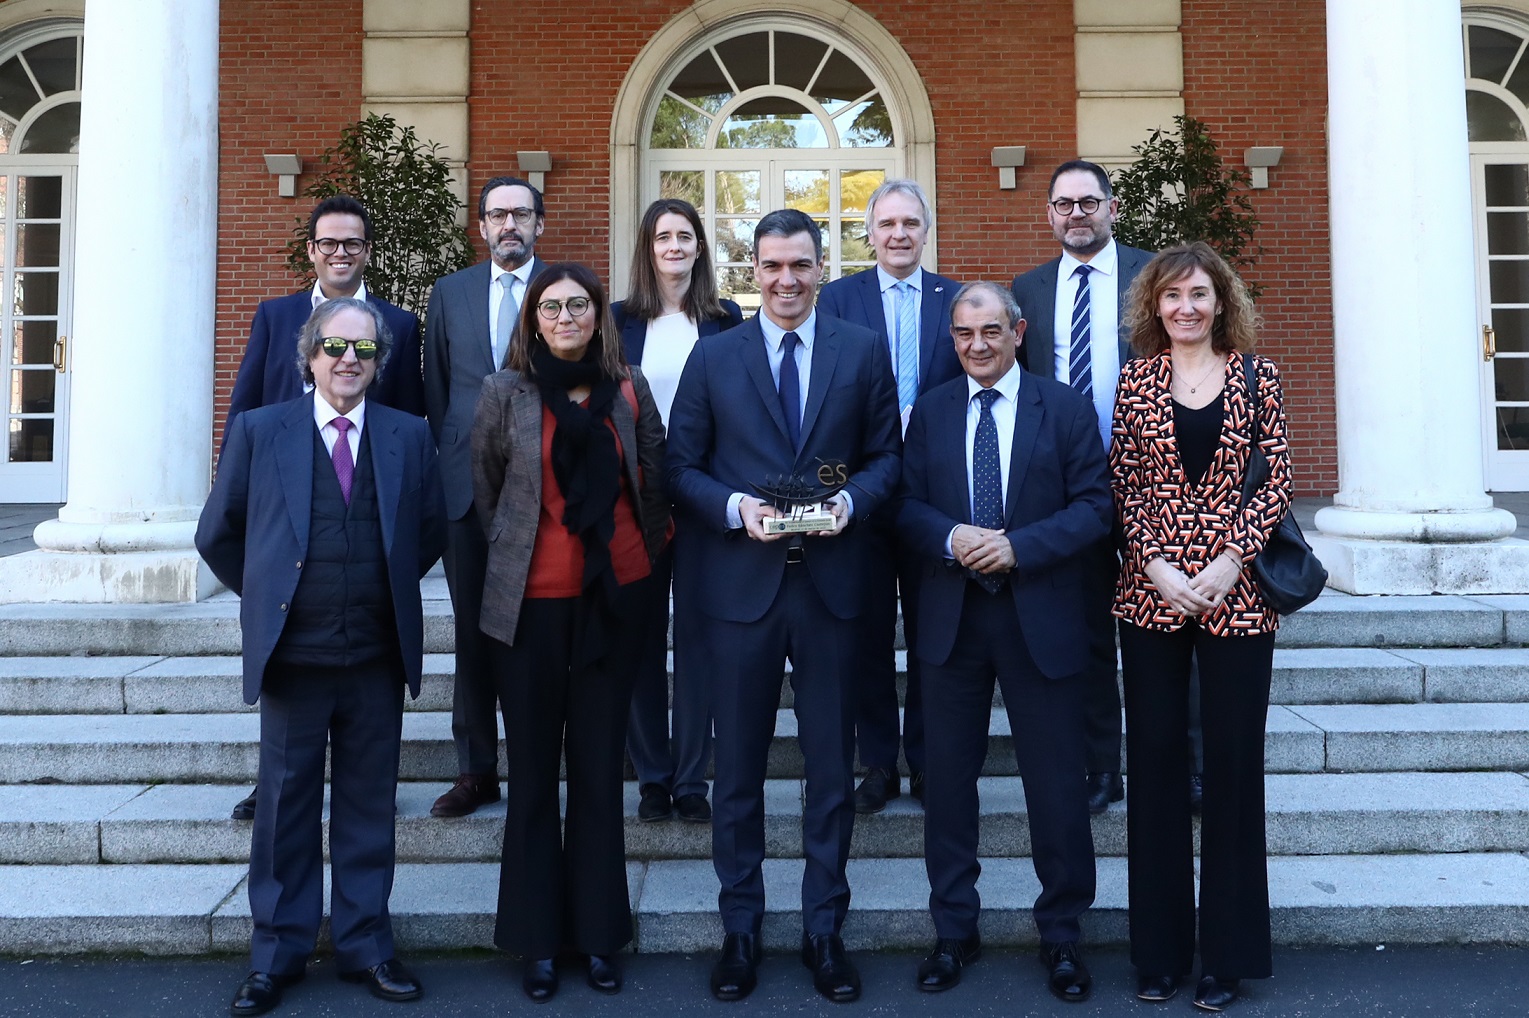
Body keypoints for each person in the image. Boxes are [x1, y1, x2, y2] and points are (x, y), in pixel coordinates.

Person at [666, 210, 901, 1004]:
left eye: (800, 265)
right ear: (752, 269)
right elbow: (679, 466)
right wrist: (735, 507)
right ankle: (740, 929)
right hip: (739, 590)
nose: (786, 280)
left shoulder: (861, 352)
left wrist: (853, 505)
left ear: (821, 267)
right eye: (771, 267)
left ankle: (823, 930)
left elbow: (885, 457)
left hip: (833, 586)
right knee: (736, 774)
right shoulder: (713, 356)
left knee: (831, 771)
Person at [197, 297, 446, 1016]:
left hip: (373, 654)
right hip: (293, 659)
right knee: (284, 811)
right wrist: (270, 590)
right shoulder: (259, 430)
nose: (348, 361)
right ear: (309, 356)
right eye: (335, 348)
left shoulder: (408, 436)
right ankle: (276, 955)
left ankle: (368, 945)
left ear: (379, 362)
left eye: (363, 351)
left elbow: (427, 532)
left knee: (368, 807)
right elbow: (219, 533)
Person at [898, 282, 1110, 1002]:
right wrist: (953, 537)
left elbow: (1094, 508)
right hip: (951, 623)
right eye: (963, 334)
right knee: (948, 789)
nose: (977, 345)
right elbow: (904, 506)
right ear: (951, 338)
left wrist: (1020, 546)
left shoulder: (1066, 408)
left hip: (1039, 618)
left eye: (990, 331)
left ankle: (1061, 936)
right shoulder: (928, 413)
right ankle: (953, 929)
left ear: (1017, 331)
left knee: (1055, 786)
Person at [471, 263, 668, 1003]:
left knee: (594, 774)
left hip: (612, 606)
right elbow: (489, 494)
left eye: (578, 305)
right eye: (550, 306)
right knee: (531, 777)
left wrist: (639, 571)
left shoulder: (628, 389)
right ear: (532, 318)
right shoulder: (504, 394)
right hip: (526, 611)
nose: (564, 317)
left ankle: (596, 936)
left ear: (597, 316)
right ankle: (536, 941)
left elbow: (654, 481)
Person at [1110, 241, 1291, 1011]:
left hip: (1236, 595)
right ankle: (1157, 954)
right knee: (1151, 771)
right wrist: (1155, 565)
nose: (1185, 307)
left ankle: (1226, 955)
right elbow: (1122, 481)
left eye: (1198, 294)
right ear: (1154, 305)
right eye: (1172, 295)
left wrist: (1228, 562)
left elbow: (1275, 475)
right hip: (1152, 594)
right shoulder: (1135, 380)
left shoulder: (1258, 379)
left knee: (1230, 771)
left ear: (1222, 303)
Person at [223, 194, 425, 822]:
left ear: (367, 252)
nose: (341, 253)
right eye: (329, 243)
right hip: (287, 534)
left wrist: (390, 567)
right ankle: (273, 787)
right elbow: (244, 411)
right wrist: (262, 574)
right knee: (289, 734)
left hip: (363, 550)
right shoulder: (275, 316)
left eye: (353, 244)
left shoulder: (398, 324)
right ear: (311, 251)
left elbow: (415, 429)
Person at [1010, 160, 1154, 816]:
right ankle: (1104, 769)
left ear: (1111, 208)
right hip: (1070, 492)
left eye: (1088, 202)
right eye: (1064, 203)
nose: (1076, 214)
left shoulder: (1151, 277)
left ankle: (1186, 766)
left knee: (1169, 632)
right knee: (1092, 636)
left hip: (1153, 483)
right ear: (1047, 213)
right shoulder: (1027, 292)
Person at [817, 179, 963, 814]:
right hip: (861, 491)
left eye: (911, 223)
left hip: (938, 495)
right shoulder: (835, 299)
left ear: (925, 231)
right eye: (887, 224)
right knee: (867, 633)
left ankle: (929, 760)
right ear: (868, 234)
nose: (899, 235)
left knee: (935, 633)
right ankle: (877, 763)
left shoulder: (957, 300)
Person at [614, 198, 742, 825]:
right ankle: (652, 776)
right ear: (648, 247)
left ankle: (693, 778)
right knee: (639, 642)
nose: (673, 246)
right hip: (635, 500)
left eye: (684, 235)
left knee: (698, 642)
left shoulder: (726, 319)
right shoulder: (617, 321)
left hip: (703, 500)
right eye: (662, 236)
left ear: (699, 247)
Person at [423, 176, 546, 818]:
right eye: (498, 214)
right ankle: (476, 769)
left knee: (536, 629)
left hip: (540, 489)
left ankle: (535, 763)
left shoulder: (563, 290)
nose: (509, 225)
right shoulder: (451, 292)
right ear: (481, 226)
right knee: (473, 632)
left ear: (539, 225)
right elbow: (437, 391)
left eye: (520, 214)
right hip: (465, 492)